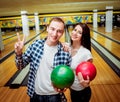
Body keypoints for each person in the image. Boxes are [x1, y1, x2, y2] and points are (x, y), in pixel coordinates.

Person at [14, 17, 72, 102]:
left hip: (55, 96)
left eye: (59, 31)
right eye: (52, 29)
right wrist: (18, 54)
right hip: (36, 94)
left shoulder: (65, 52)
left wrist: (64, 87)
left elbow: (67, 77)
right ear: (47, 28)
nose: (55, 34)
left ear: (63, 33)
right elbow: (20, 66)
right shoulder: (35, 45)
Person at [63, 22, 93, 102]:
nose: (75, 33)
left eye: (79, 32)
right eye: (75, 30)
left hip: (81, 92)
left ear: (83, 36)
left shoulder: (86, 53)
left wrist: (87, 82)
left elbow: (89, 75)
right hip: (71, 89)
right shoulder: (66, 47)